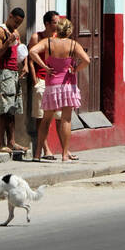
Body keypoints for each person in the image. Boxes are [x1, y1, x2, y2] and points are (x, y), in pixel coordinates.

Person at [28, 16, 89, 163]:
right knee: (66, 119)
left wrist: (44, 66)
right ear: (69, 30)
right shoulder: (73, 45)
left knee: (46, 120)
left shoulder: (48, 42)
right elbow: (86, 60)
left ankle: (37, 154)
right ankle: (64, 154)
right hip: (68, 85)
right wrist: (75, 69)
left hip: (52, 85)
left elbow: (32, 52)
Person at [28, 9, 61, 160]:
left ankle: (63, 150)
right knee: (41, 117)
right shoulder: (37, 37)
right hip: (41, 80)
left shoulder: (58, 38)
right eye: (55, 22)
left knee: (58, 116)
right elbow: (30, 58)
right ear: (47, 23)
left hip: (55, 81)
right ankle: (45, 149)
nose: (57, 25)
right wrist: (34, 79)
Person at [0, 7, 26, 154]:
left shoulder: (16, 33)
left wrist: (24, 64)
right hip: (4, 73)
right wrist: (7, 42)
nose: (17, 25)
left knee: (12, 109)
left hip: (14, 73)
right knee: (3, 109)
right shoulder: (1, 31)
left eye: (20, 23)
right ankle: (0, 142)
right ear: (10, 16)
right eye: (16, 21)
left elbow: (20, 50)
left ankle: (12, 141)